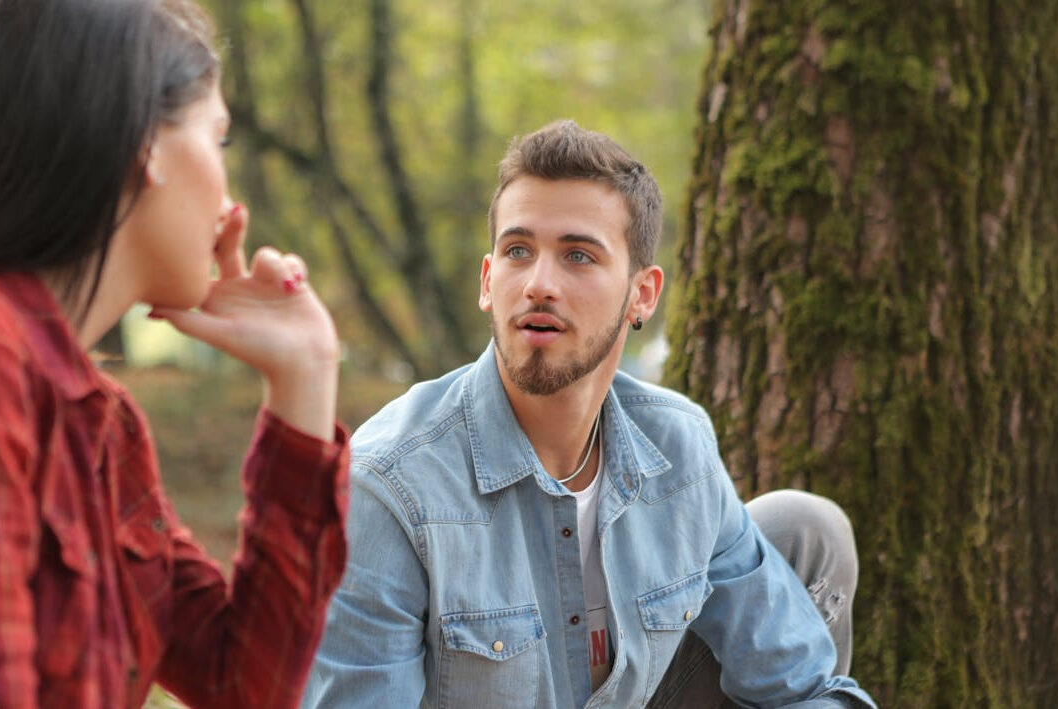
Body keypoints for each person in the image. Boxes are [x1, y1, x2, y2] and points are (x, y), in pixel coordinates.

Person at [0, 1, 348, 707]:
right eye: (217, 140)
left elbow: (244, 683)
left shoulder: (101, 423)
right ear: (143, 141)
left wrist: (305, 374)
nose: (232, 209)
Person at [302, 120, 876, 708]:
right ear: (487, 279)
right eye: (518, 251)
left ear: (642, 295)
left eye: (578, 256)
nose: (539, 285)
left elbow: (806, 687)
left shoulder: (678, 445)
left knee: (805, 529)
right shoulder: (387, 485)